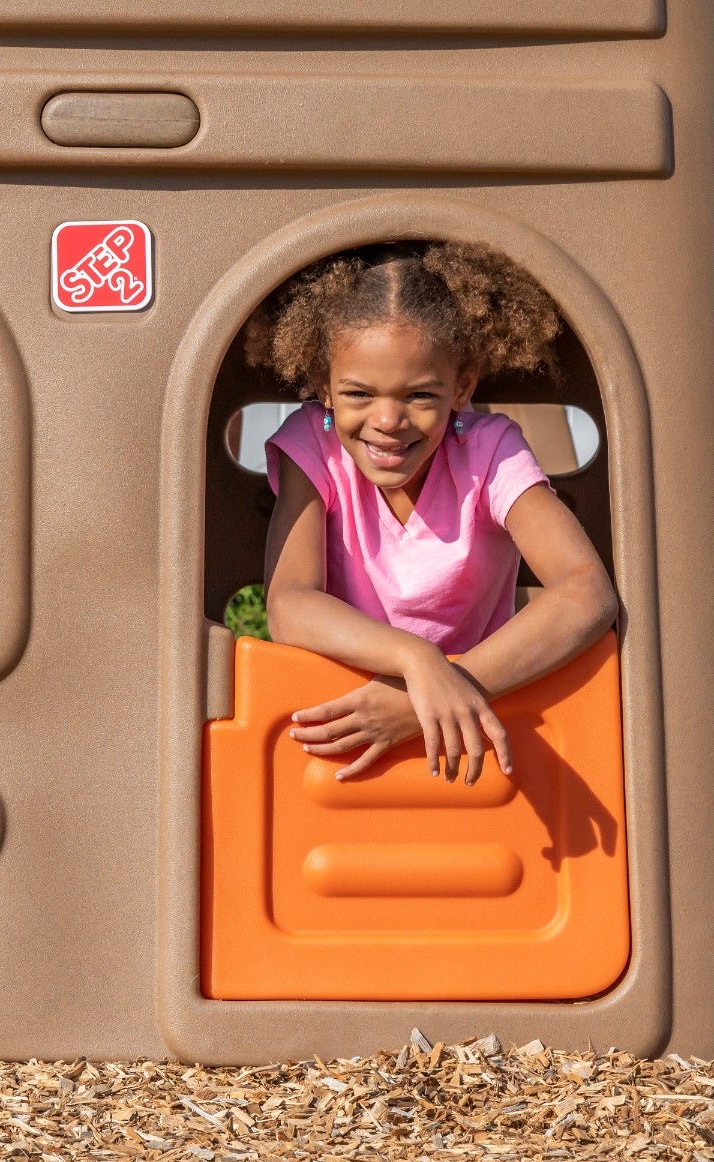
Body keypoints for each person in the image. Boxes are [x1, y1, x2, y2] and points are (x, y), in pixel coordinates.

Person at [250, 240, 617, 786]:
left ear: (461, 387)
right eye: (358, 394)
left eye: (420, 396)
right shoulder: (314, 445)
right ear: (324, 386)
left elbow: (587, 593)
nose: (388, 420)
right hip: (347, 738)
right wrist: (416, 660)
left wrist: (441, 688)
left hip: (476, 744)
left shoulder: (491, 452)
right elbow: (289, 605)